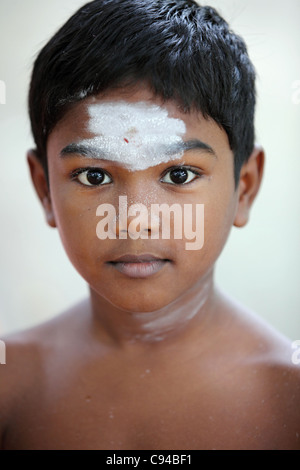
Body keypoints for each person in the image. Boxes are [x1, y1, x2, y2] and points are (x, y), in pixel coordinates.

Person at [0, 0, 299, 450]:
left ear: (245, 187)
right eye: (94, 175)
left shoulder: (289, 400)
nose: (135, 221)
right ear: (45, 189)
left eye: (179, 174)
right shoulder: (10, 387)